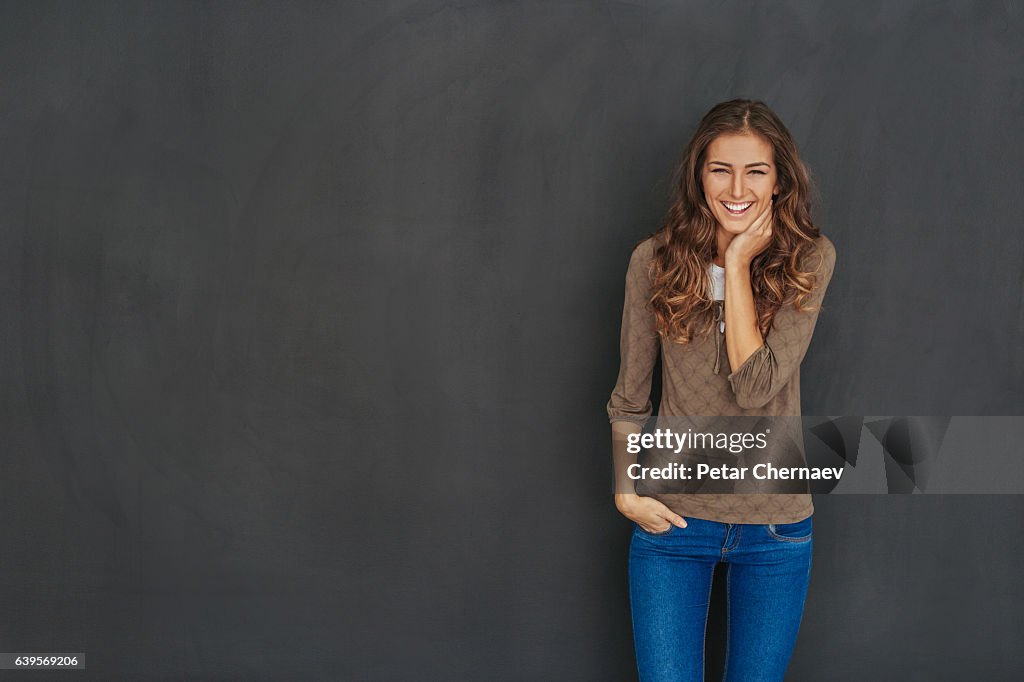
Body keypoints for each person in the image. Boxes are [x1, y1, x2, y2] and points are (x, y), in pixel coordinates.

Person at [606, 99, 837, 681]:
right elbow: (631, 397)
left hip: (775, 526)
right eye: (720, 169)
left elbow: (756, 386)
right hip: (674, 522)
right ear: (698, 175)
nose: (737, 187)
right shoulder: (653, 261)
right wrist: (626, 493)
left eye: (755, 170)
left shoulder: (809, 258)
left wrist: (736, 265)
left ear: (779, 179)